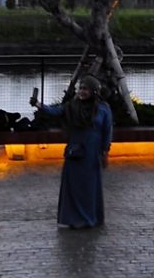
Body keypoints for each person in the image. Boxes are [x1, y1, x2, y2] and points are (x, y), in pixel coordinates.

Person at [30, 75, 113, 229]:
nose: (81, 92)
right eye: (80, 88)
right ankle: (74, 219)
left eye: (85, 89)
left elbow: (107, 131)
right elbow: (55, 111)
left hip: (92, 153)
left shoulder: (103, 108)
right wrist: (39, 105)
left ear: (94, 91)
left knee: (89, 187)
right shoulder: (72, 106)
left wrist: (105, 151)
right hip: (76, 151)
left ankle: (89, 218)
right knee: (74, 188)